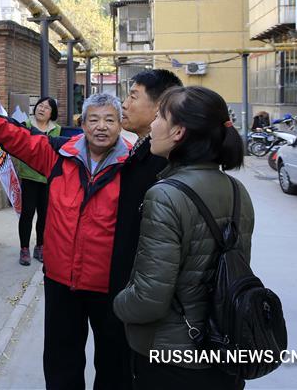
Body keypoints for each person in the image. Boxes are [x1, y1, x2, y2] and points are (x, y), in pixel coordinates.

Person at [0, 93, 131, 390]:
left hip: (110, 284)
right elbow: (21, 140)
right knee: (61, 360)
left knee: (114, 362)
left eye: (109, 119)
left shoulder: (132, 166)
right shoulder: (59, 154)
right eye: (94, 119)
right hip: (61, 279)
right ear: (83, 124)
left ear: (121, 124)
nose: (101, 127)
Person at [113, 86, 253, 390]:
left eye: (160, 116)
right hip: (225, 346)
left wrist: (117, 304)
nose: (152, 125)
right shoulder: (237, 189)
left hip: (173, 358)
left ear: (178, 132)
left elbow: (149, 300)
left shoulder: (165, 194)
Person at [107, 69, 183, 389]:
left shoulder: (162, 166)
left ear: (160, 107)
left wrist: (127, 300)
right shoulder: (142, 152)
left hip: (142, 307)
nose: (124, 104)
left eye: (133, 96)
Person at [16, 96, 60, 266]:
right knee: (27, 213)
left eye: (47, 108)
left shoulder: (57, 130)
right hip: (29, 176)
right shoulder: (26, 126)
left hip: (48, 178)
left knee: (45, 215)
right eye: (40, 106)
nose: (42, 109)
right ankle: (24, 248)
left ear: (52, 113)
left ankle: (40, 246)